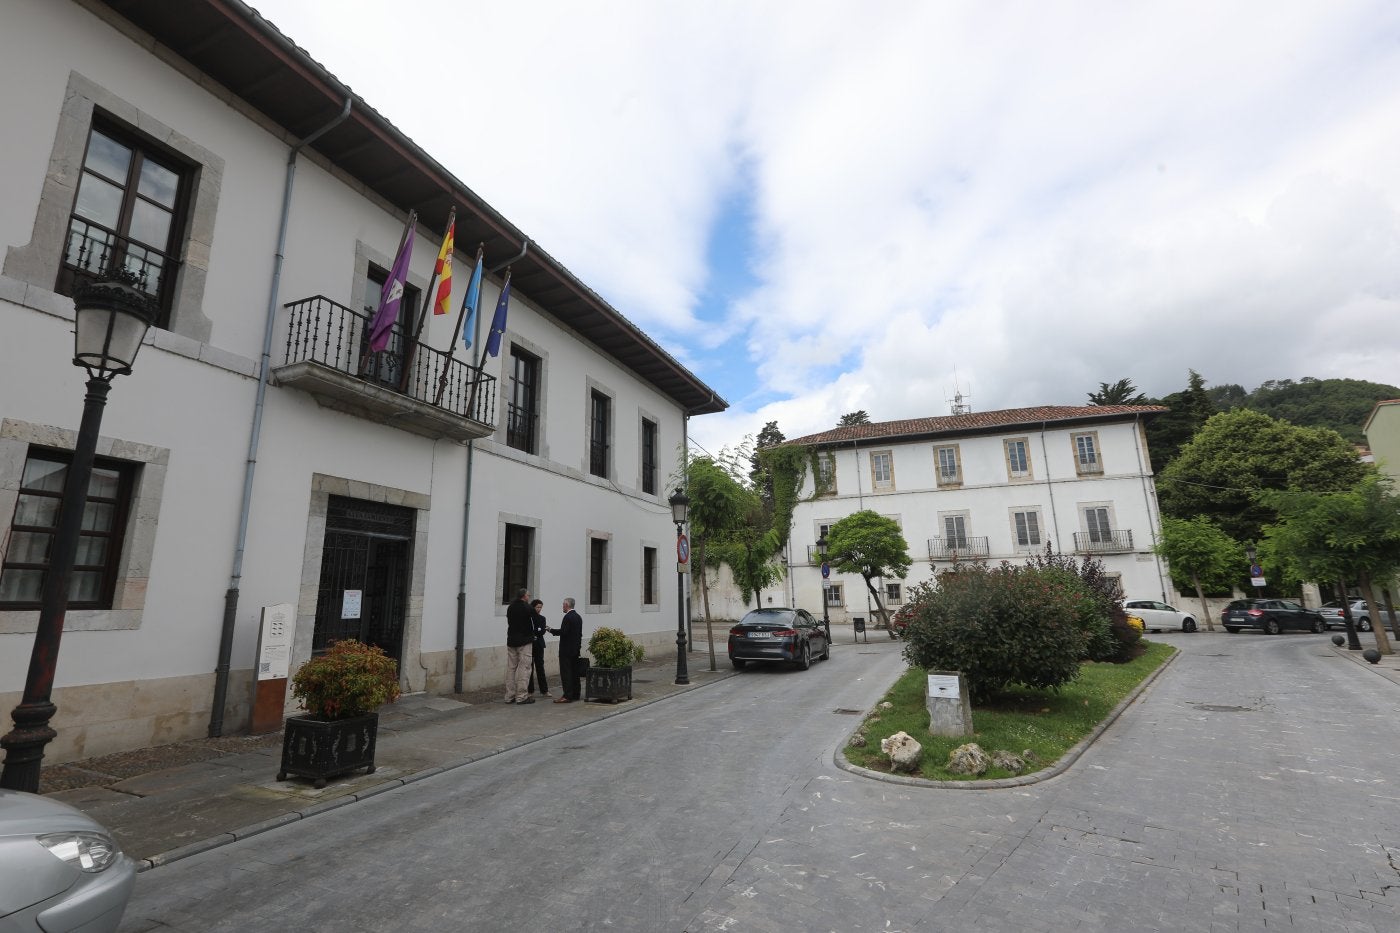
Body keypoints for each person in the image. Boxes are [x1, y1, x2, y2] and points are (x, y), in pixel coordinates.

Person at [504, 587, 535, 704]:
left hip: (511, 640)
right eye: (528, 595)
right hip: (524, 641)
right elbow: (535, 620)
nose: (529, 597)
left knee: (511, 669)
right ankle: (521, 696)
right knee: (525, 668)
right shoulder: (527, 607)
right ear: (524, 596)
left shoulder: (510, 607)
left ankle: (509, 696)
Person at [549, 596, 583, 703]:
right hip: (575, 650)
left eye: (563, 605)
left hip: (566, 650)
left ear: (567, 605)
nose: (562, 607)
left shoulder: (567, 617)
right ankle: (576, 694)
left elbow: (564, 632)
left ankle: (567, 696)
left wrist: (551, 630)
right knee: (574, 673)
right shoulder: (578, 617)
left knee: (566, 673)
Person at [526, 598, 550, 697]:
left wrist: (537, 631)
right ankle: (530, 690)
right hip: (530, 645)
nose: (539, 609)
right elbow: (529, 630)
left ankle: (544, 690)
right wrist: (537, 630)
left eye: (540, 607)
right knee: (529, 668)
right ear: (533, 607)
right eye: (537, 607)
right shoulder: (529, 618)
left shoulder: (542, 618)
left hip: (539, 645)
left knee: (540, 667)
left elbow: (542, 631)